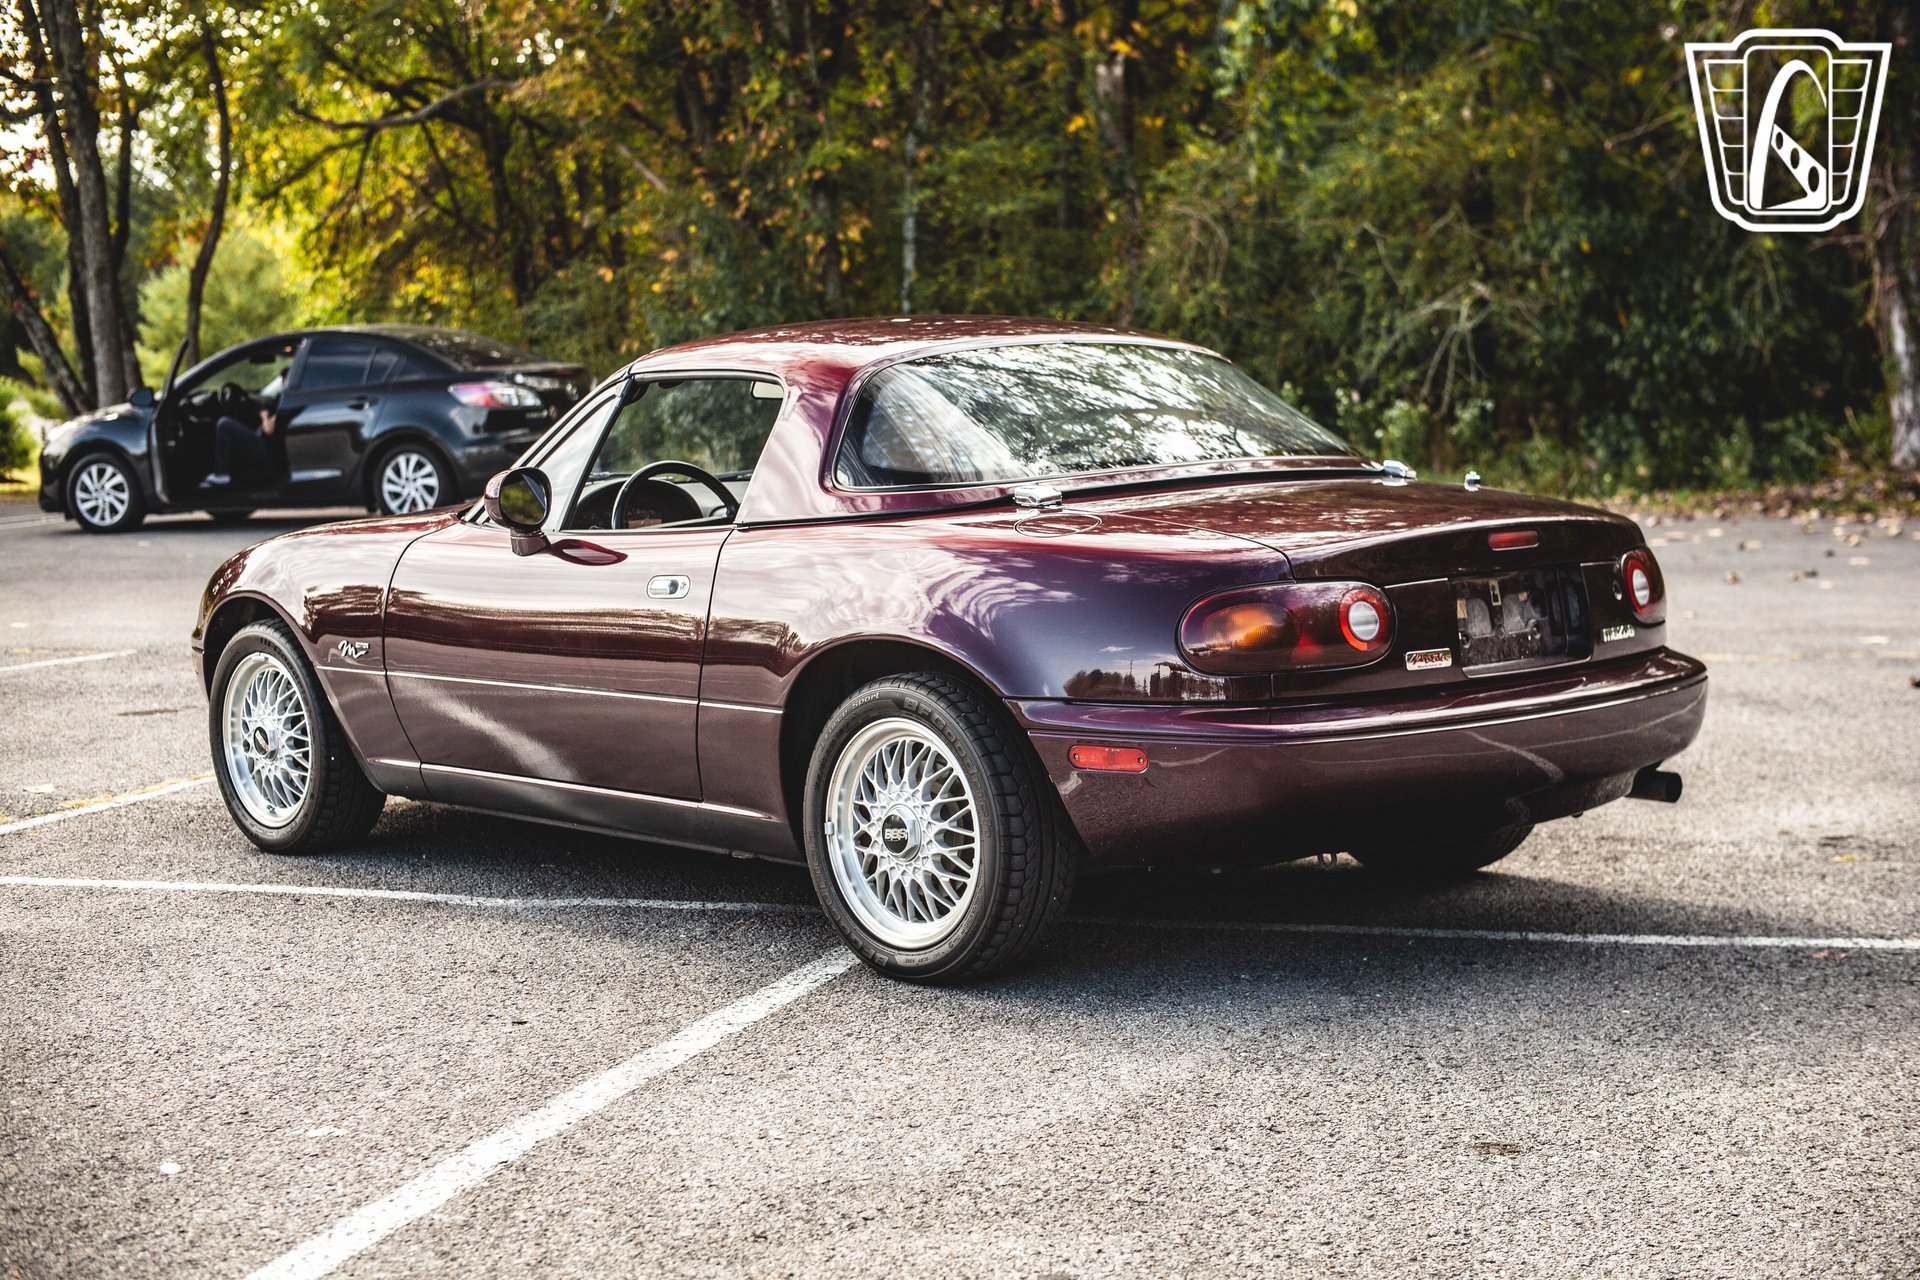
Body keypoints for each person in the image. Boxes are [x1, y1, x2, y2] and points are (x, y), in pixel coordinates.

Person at [200, 406, 276, 489]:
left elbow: (269, 430)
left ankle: (221, 474)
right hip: (259, 441)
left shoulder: (276, 414)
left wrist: (264, 416)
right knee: (225, 423)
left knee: (224, 423)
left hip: (262, 446)